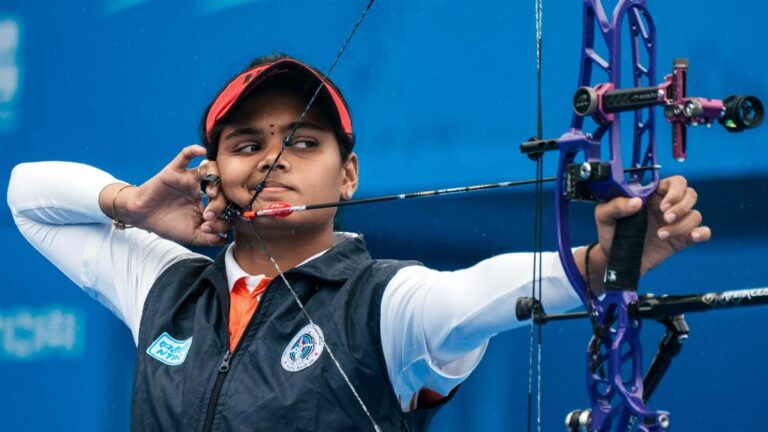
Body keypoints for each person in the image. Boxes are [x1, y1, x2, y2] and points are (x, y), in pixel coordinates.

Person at [7, 53, 709, 431]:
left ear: (347, 175)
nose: (273, 159)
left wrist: (601, 262)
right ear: (213, 172)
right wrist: (130, 204)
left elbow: (480, 293)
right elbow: (26, 196)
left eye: (304, 142)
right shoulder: (166, 286)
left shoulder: (385, 306)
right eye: (247, 144)